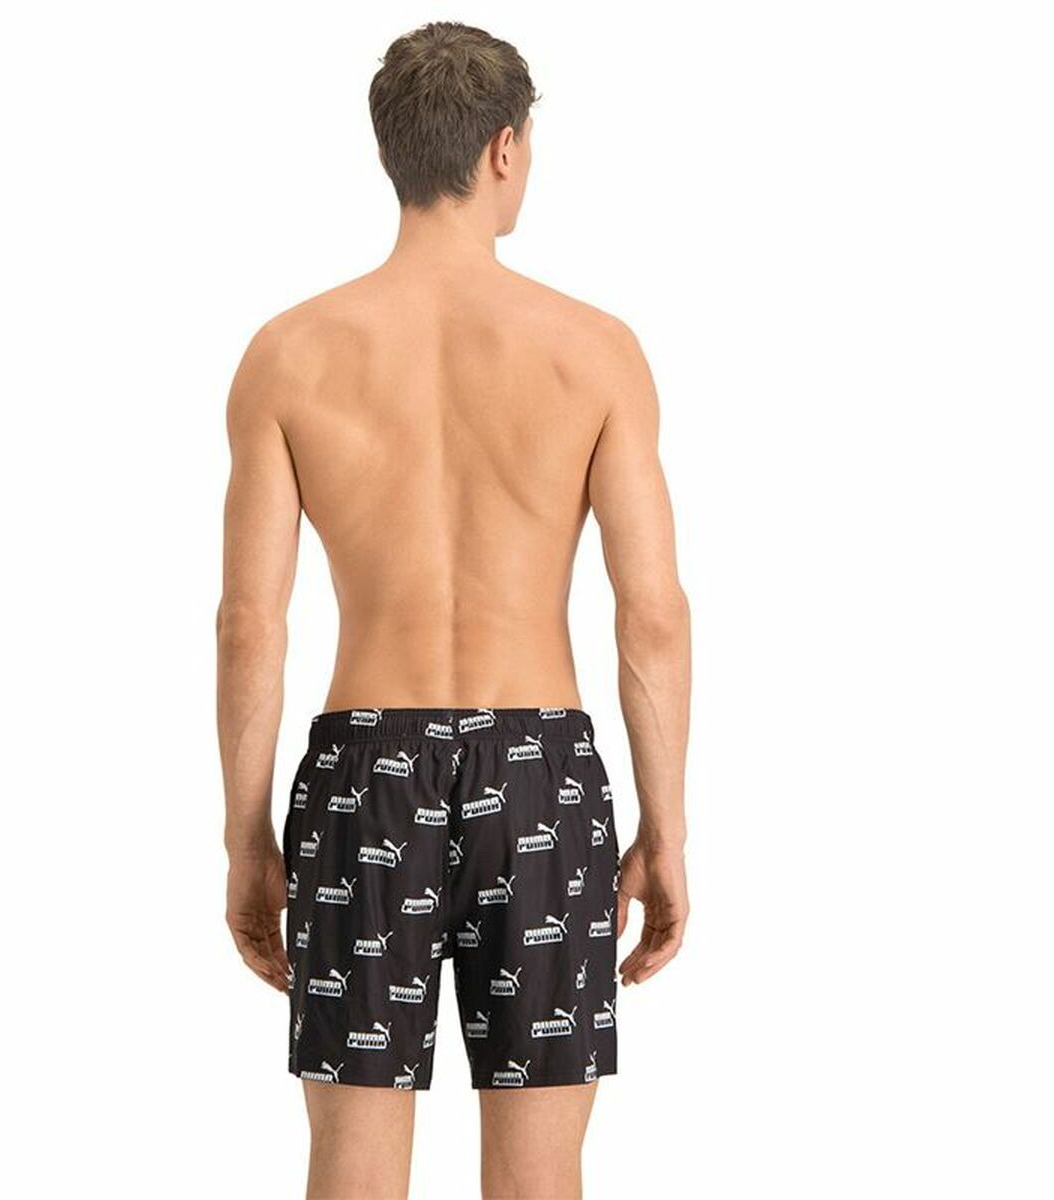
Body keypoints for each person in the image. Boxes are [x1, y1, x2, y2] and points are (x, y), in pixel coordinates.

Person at [217, 21, 691, 1200]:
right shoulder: (594, 352)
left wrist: (245, 836)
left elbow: (249, 624)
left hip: (365, 774)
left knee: (351, 1164)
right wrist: (667, 827)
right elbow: (652, 616)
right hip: (540, 776)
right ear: (503, 150)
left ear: (391, 150)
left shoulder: (290, 354)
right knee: (540, 1174)